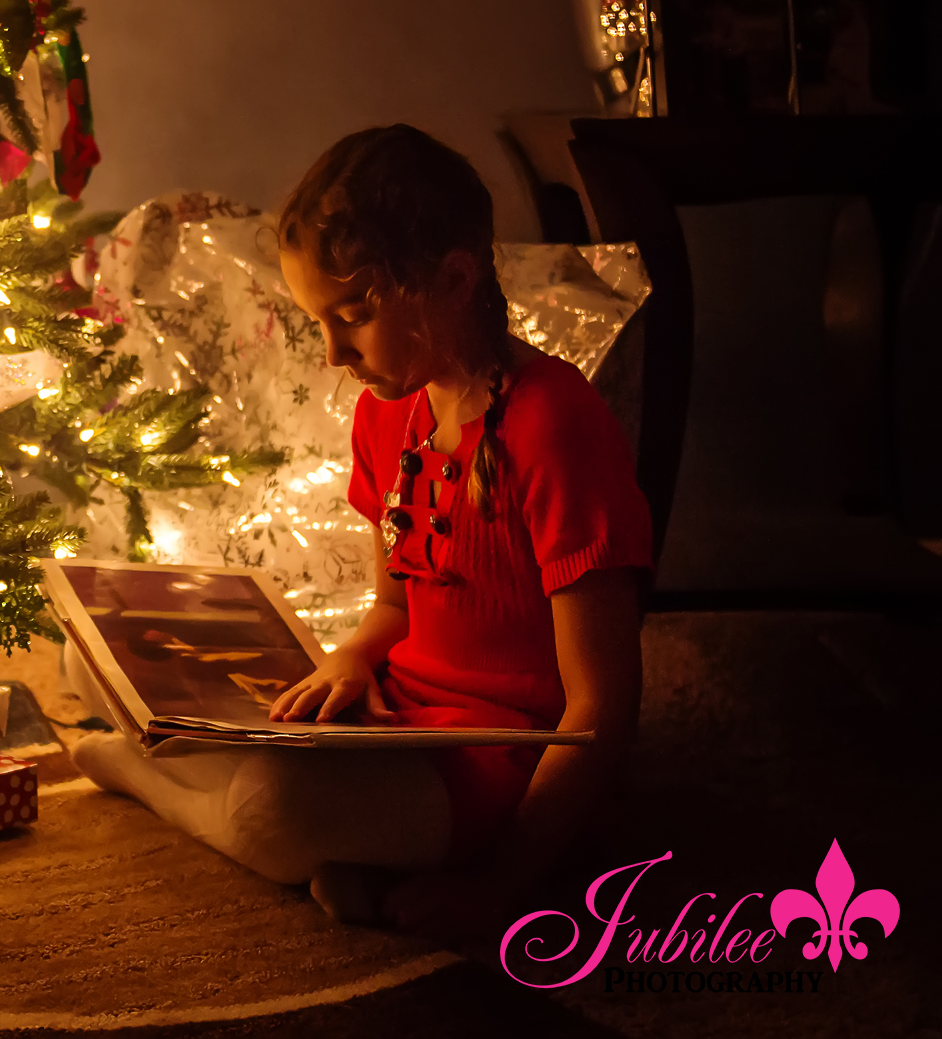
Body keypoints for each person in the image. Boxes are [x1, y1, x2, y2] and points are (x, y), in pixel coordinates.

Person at [67, 124, 649, 938]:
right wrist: (350, 658)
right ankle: (360, 859)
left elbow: (601, 707)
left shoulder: (554, 423)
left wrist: (503, 886)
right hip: (396, 723)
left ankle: (146, 775)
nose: (335, 352)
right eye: (318, 322)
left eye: (356, 314)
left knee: (271, 812)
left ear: (453, 278)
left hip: (494, 761)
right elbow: (395, 606)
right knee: (99, 652)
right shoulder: (390, 415)